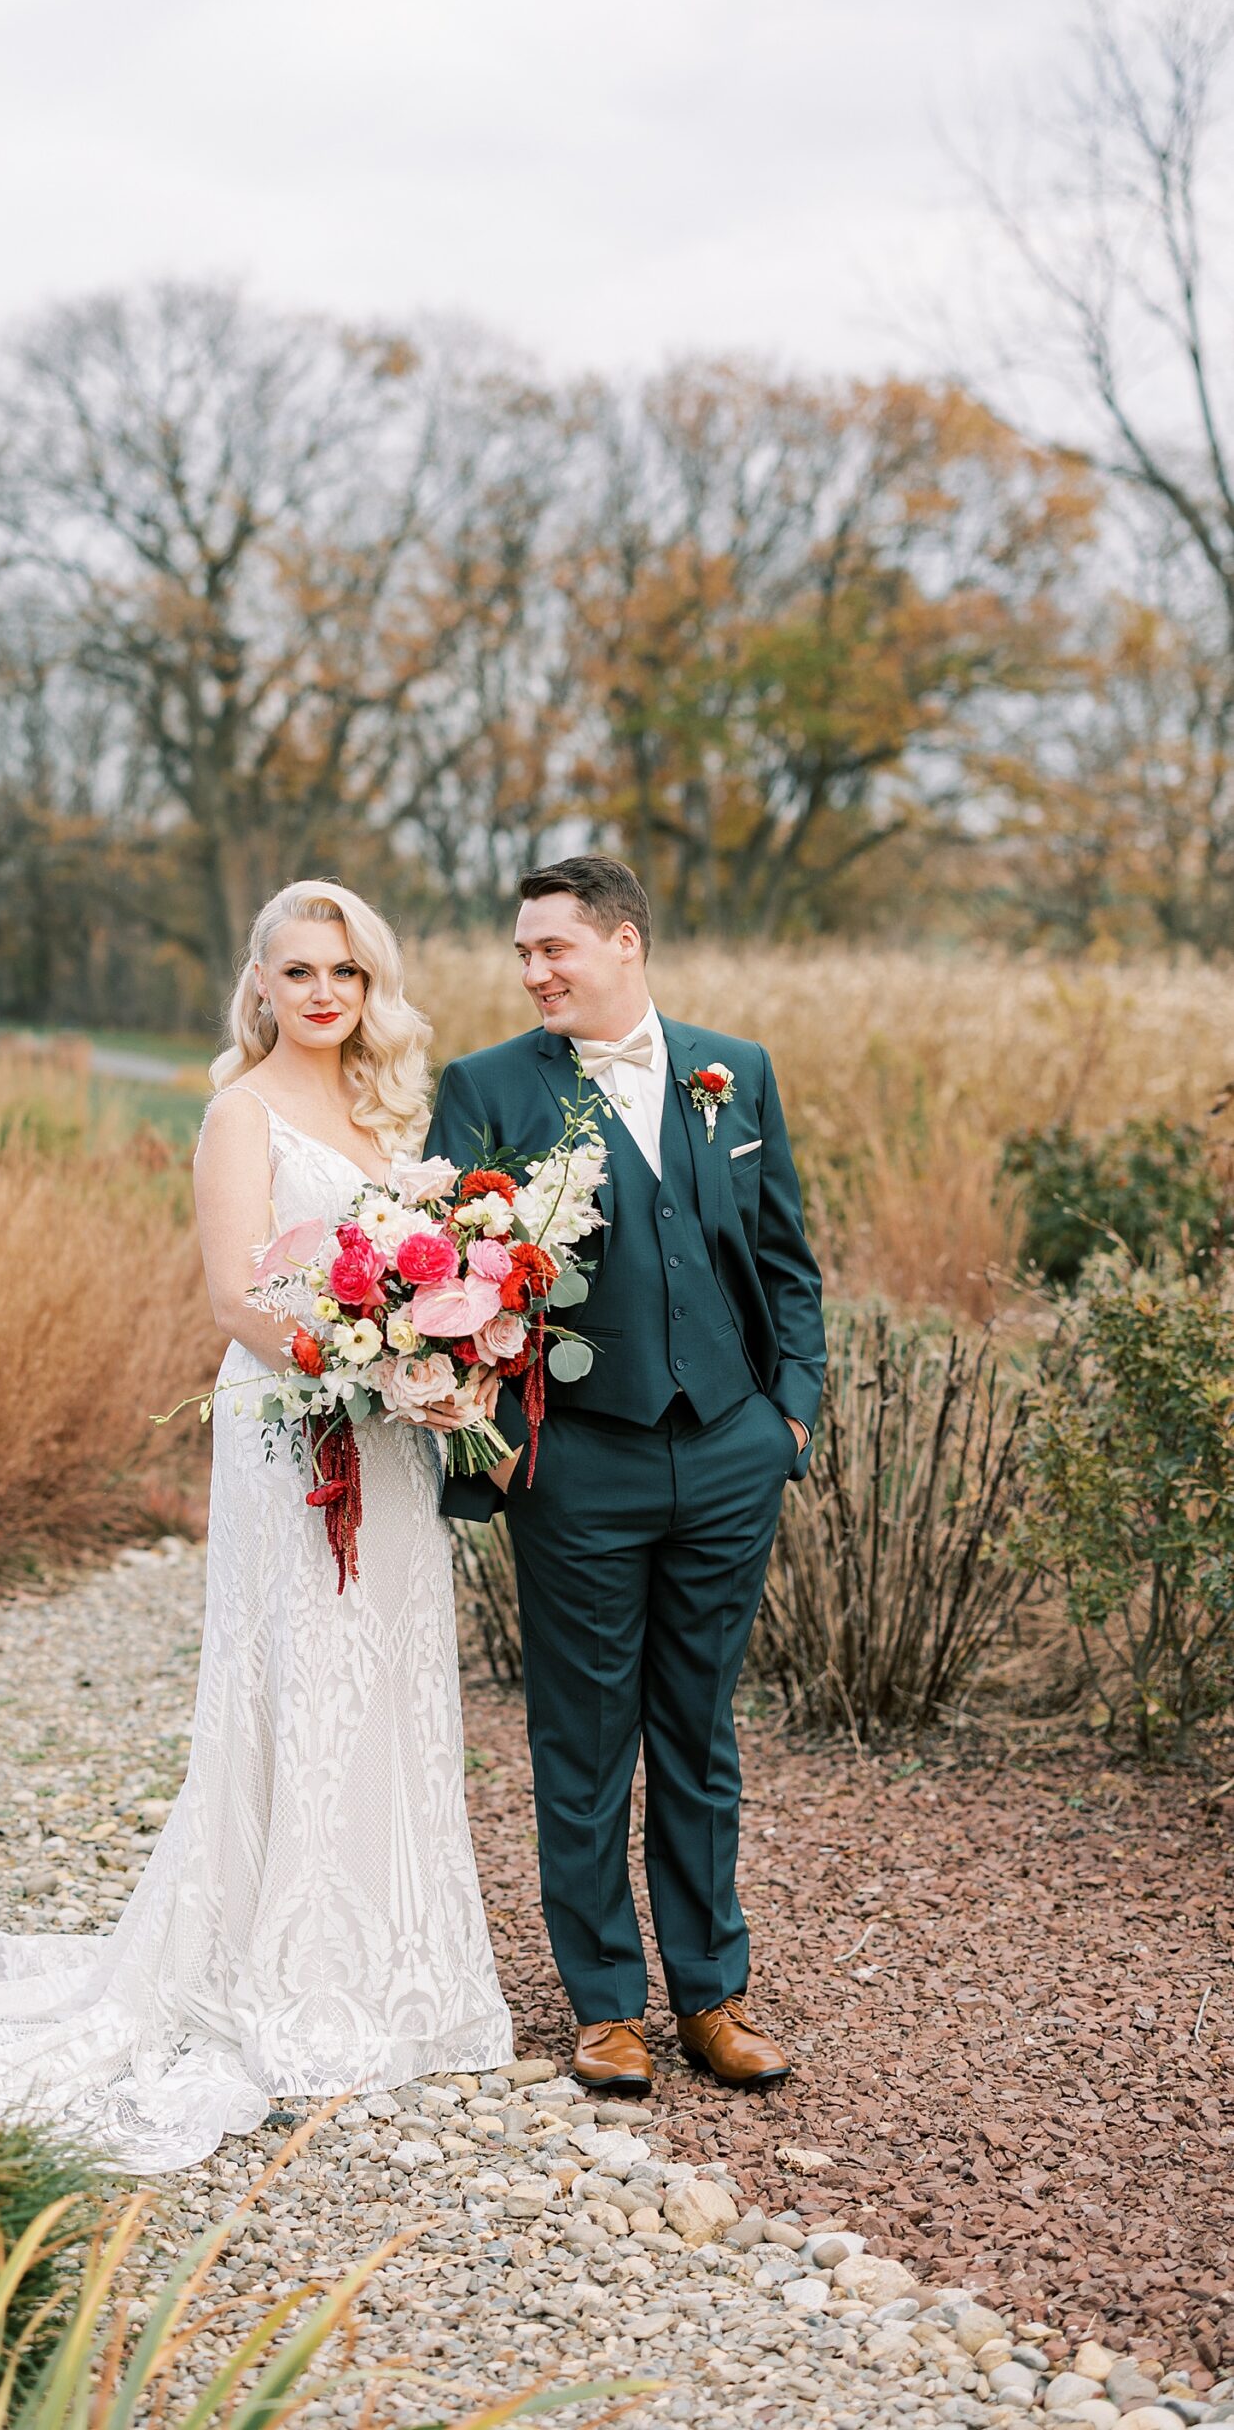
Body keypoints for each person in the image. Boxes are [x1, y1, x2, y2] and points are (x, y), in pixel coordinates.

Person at [0, 879, 512, 2167]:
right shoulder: (238, 1112)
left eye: (348, 973)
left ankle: (397, 1969)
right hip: (290, 1427)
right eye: (301, 971)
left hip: (393, 1435)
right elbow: (233, 1293)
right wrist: (359, 1359)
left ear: (372, 989)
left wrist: (435, 1365)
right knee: (295, 1673)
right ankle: (281, 1965)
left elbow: (433, 1273)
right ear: (258, 984)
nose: (324, 993)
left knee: (387, 1677)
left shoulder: (393, 1118)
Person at [425, 855, 824, 2097]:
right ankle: (606, 2006)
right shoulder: (486, 1088)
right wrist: (499, 1443)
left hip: (727, 1451)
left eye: (556, 948)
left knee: (699, 1736)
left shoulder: (733, 1071)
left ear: (626, 942)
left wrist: (788, 1420)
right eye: (524, 955)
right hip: (576, 1460)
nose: (536, 971)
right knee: (585, 1740)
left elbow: (789, 1265)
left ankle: (712, 1993)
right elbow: (442, 1286)